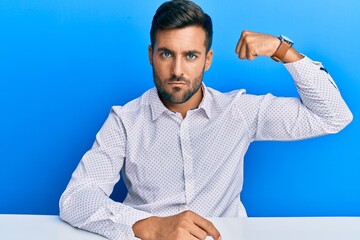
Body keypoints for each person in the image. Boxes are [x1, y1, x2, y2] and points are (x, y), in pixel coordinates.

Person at [59, 0, 353, 239]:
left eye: (190, 56)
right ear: (151, 55)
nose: (177, 70)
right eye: (166, 54)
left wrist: (282, 50)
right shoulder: (125, 120)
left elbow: (334, 116)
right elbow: (76, 198)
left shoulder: (238, 111)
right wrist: (148, 226)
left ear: (207, 59)